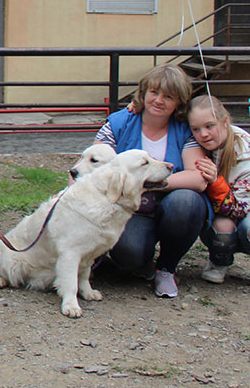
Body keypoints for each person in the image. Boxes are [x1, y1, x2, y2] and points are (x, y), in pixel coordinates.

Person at [93, 64, 208, 298]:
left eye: (168, 96)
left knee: (188, 201)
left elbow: (197, 178)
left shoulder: (185, 129)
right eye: (154, 92)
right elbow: (93, 164)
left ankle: (166, 267)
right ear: (143, 93)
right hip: (129, 210)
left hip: (171, 204)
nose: (159, 100)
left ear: (179, 102)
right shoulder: (118, 122)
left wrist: (150, 183)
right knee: (129, 252)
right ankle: (141, 266)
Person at [185, 95, 249, 284]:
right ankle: (220, 260)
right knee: (222, 226)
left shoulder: (245, 153)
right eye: (196, 129)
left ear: (225, 121)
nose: (203, 134)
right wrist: (138, 105)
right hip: (220, 214)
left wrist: (215, 182)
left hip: (244, 211)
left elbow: (239, 210)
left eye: (209, 126)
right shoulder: (196, 143)